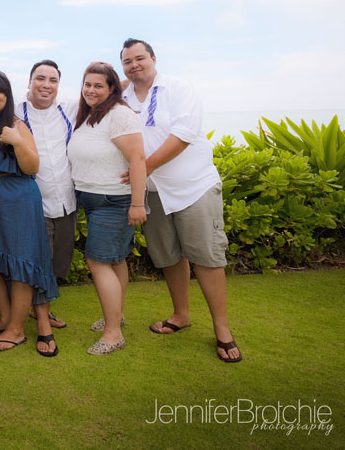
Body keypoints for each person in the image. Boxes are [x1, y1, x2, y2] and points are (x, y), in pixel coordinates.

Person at [119, 38, 241, 362]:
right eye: (127, 62)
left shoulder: (177, 87)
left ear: (154, 58)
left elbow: (184, 134)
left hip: (193, 187)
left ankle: (223, 331)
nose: (134, 65)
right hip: (154, 193)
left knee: (206, 258)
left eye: (140, 58)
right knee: (169, 256)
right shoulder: (125, 97)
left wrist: (143, 168)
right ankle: (181, 315)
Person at [0, 71, 59, 356]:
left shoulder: (17, 125)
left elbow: (32, 167)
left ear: (8, 95)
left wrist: (16, 141)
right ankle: (6, 317)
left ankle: (16, 330)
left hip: (17, 198)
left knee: (20, 261)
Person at [67, 61, 146, 355]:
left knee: (98, 262)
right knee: (115, 261)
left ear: (111, 88)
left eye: (99, 85)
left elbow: (138, 159)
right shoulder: (90, 115)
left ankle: (113, 334)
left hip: (113, 200)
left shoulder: (120, 115)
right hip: (93, 198)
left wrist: (138, 204)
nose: (91, 90)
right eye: (87, 84)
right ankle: (117, 315)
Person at [14, 59, 77, 346]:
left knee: (56, 262)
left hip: (66, 199)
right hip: (31, 202)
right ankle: (42, 320)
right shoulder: (14, 113)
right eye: (40, 78)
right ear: (30, 82)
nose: (46, 85)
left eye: (52, 80)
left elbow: (107, 92)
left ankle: (42, 309)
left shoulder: (69, 109)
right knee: (38, 262)